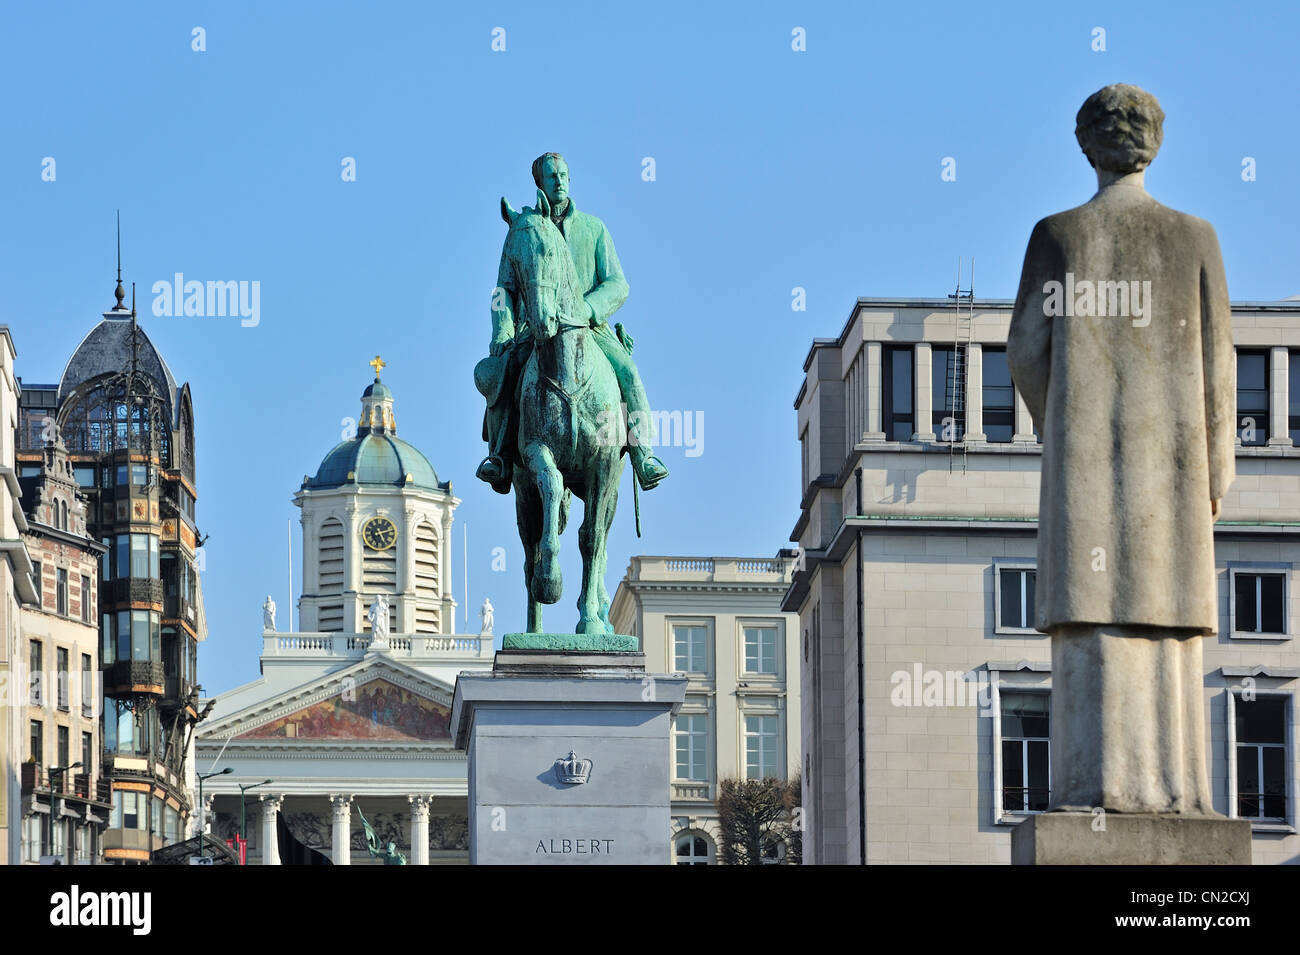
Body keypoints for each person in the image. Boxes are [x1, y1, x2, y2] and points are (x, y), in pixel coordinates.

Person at [1006, 84, 1234, 814]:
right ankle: (1177, 793)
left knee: (1095, 630)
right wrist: (1216, 470)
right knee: (1166, 634)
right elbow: (1220, 373)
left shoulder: (1059, 235)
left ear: (1085, 145)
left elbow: (1024, 352)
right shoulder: (1194, 237)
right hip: (1172, 485)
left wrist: (1064, 425)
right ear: (1154, 144)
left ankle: (1094, 789)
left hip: (1088, 485)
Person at [476, 152, 669, 493]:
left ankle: (643, 453)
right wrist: (503, 333)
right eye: (551, 177)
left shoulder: (594, 229)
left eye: (563, 174)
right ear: (539, 184)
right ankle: (500, 456)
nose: (560, 181)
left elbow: (617, 283)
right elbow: (503, 290)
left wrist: (589, 309)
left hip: (589, 330)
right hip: (533, 330)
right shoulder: (522, 229)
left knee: (628, 372)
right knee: (504, 376)